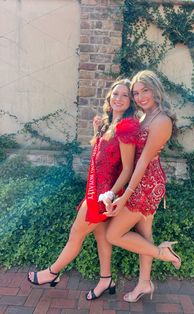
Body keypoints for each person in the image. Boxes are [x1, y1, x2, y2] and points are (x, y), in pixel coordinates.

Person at [28, 78, 140, 300]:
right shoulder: (109, 123)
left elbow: (127, 169)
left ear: (130, 102)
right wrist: (97, 130)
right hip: (95, 189)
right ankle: (106, 280)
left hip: (104, 195)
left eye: (125, 95)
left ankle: (51, 273)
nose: (119, 98)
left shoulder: (126, 128)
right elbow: (101, 156)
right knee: (101, 237)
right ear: (109, 97)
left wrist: (110, 194)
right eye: (115, 94)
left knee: (76, 235)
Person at [105, 70, 181, 302]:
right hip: (140, 179)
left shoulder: (161, 120)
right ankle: (144, 284)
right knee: (144, 235)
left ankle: (163, 253)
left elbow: (144, 160)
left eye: (144, 90)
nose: (139, 97)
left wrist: (125, 196)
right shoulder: (143, 117)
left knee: (113, 234)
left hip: (148, 183)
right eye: (136, 93)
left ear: (155, 89)